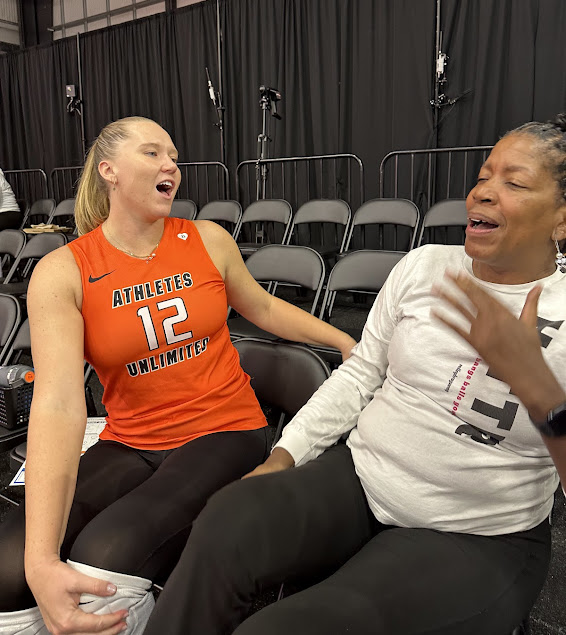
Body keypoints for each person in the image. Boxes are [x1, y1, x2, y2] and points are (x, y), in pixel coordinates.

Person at [142, 115, 566, 635]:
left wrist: (538, 388)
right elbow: (361, 374)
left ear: (562, 218)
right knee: (229, 517)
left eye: (514, 183)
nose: (482, 193)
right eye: (482, 176)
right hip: (364, 477)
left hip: (475, 534)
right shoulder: (424, 265)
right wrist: (285, 455)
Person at [0, 116, 356, 635]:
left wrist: (343, 339)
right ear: (109, 172)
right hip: (131, 439)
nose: (172, 165)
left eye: (173, 155)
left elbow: (261, 307)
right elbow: (57, 405)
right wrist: (39, 560)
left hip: (227, 429)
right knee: (11, 564)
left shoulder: (206, 239)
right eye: (152, 153)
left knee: (102, 558)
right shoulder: (65, 271)